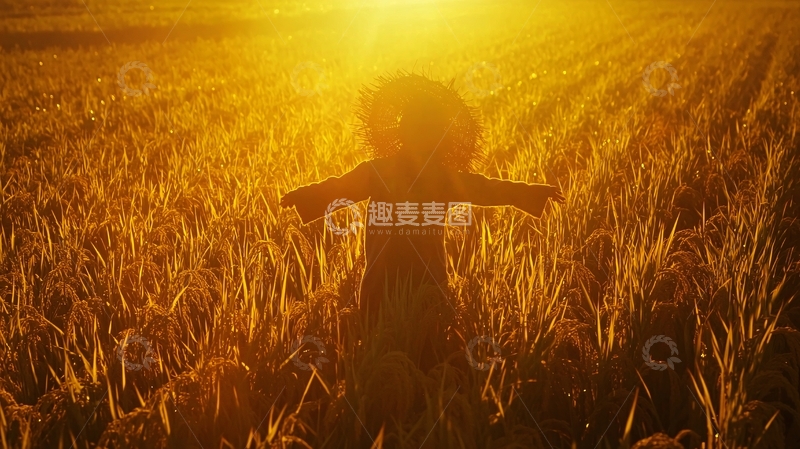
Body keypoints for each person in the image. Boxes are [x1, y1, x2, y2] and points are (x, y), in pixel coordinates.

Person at [280, 72, 564, 326]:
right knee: (382, 335)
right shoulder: (379, 172)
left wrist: (534, 192)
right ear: (403, 133)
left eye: (426, 131)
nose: (419, 138)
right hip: (385, 280)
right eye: (414, 130)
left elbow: (488, 189)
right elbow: (339, 188)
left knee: (424, 336)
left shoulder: (440, 178)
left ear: (437, 137)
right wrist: (303, 195)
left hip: (425, 282)